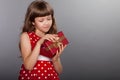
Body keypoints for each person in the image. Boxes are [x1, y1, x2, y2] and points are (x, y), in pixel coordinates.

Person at [18, 0, 67, 80]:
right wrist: (39, 43)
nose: (46, 23)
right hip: (33, 76)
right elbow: (28, 66)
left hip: (50, 76)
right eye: (41, 20)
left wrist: (55, 59)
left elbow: (59, 71)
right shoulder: (26, 36)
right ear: (33, 22)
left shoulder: (52, 37)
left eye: (49, 19)